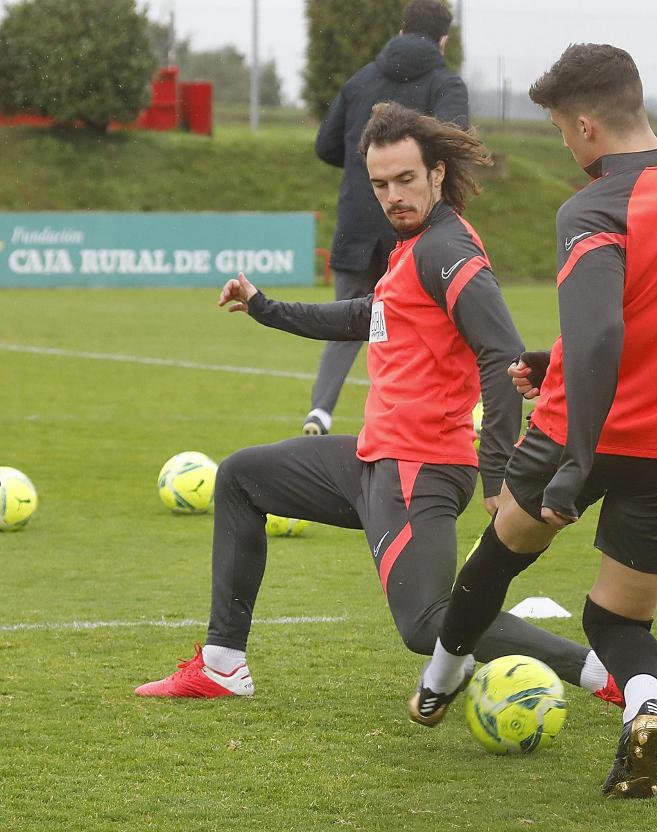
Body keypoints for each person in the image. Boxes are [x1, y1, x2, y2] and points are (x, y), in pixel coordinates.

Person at [136, 104, 621, 711]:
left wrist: (498, 472)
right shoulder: (411, 247)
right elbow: (363, 315)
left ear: (438, 175)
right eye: (381, 184)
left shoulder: (446, 250)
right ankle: (222, 664)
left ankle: (600, 671)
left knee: (426, 624)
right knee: (240, 478)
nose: (393, 195)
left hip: (421, 469)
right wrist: (266, 307)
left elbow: (500, 352)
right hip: (373, 460)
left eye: (406, 180)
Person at [411, 44, 657, 800]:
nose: (567, 143)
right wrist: (548, 357)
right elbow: (655, 315)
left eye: (563, 130)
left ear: (586, 124)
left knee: (499, 555)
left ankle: (436, 685)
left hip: (580, 435)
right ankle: (647, 704)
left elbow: (600, 338)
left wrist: (574, 459)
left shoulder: (594, 208)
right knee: (613, 620)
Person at [306, 0, 469, 437]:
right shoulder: (445, 82)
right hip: (419, 227)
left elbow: (325, 145)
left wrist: (370, 172)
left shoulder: (361, 80)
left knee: (347, 322)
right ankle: (435, 415)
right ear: (443, 40)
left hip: (358, 222)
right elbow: (455, 142)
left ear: (401, 29)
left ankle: (319, 412)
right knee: (432, 325)